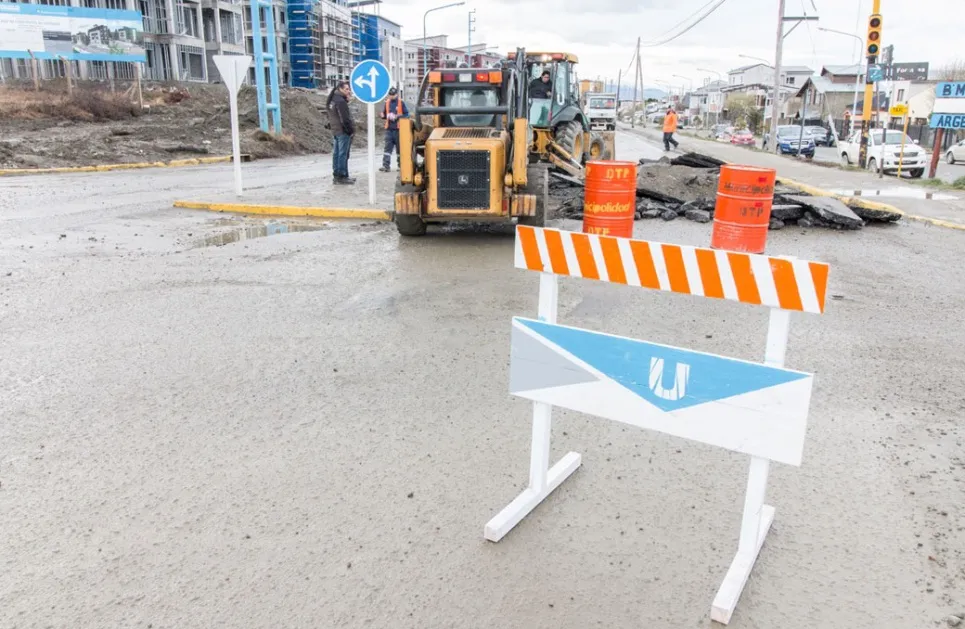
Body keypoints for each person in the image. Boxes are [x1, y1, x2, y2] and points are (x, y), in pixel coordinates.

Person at [326, 80, 355, 185]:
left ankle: (338, 175)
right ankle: (342, 176)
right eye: (346, 89)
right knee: (342, 154)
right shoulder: (340, 102)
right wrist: (350, 130)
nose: (349, 91)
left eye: (349, 89)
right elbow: (345, 119)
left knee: (337, 153)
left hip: (335, 130)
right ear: (340, 89)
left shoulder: (332, 99)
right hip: (342, 131)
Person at [378, 87, 408, 173]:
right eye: (390, 95)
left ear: (396, 94)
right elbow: (384, 114)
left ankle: (401, 166)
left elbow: (406, 114)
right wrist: (383, 116)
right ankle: (386, 166)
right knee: (387, 149)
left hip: (398, 129)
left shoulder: (401, 102)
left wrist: (398, 116)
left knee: (399, 149)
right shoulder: (387, 103)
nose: (392, 96)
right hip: (389, 129)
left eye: (393, 95)